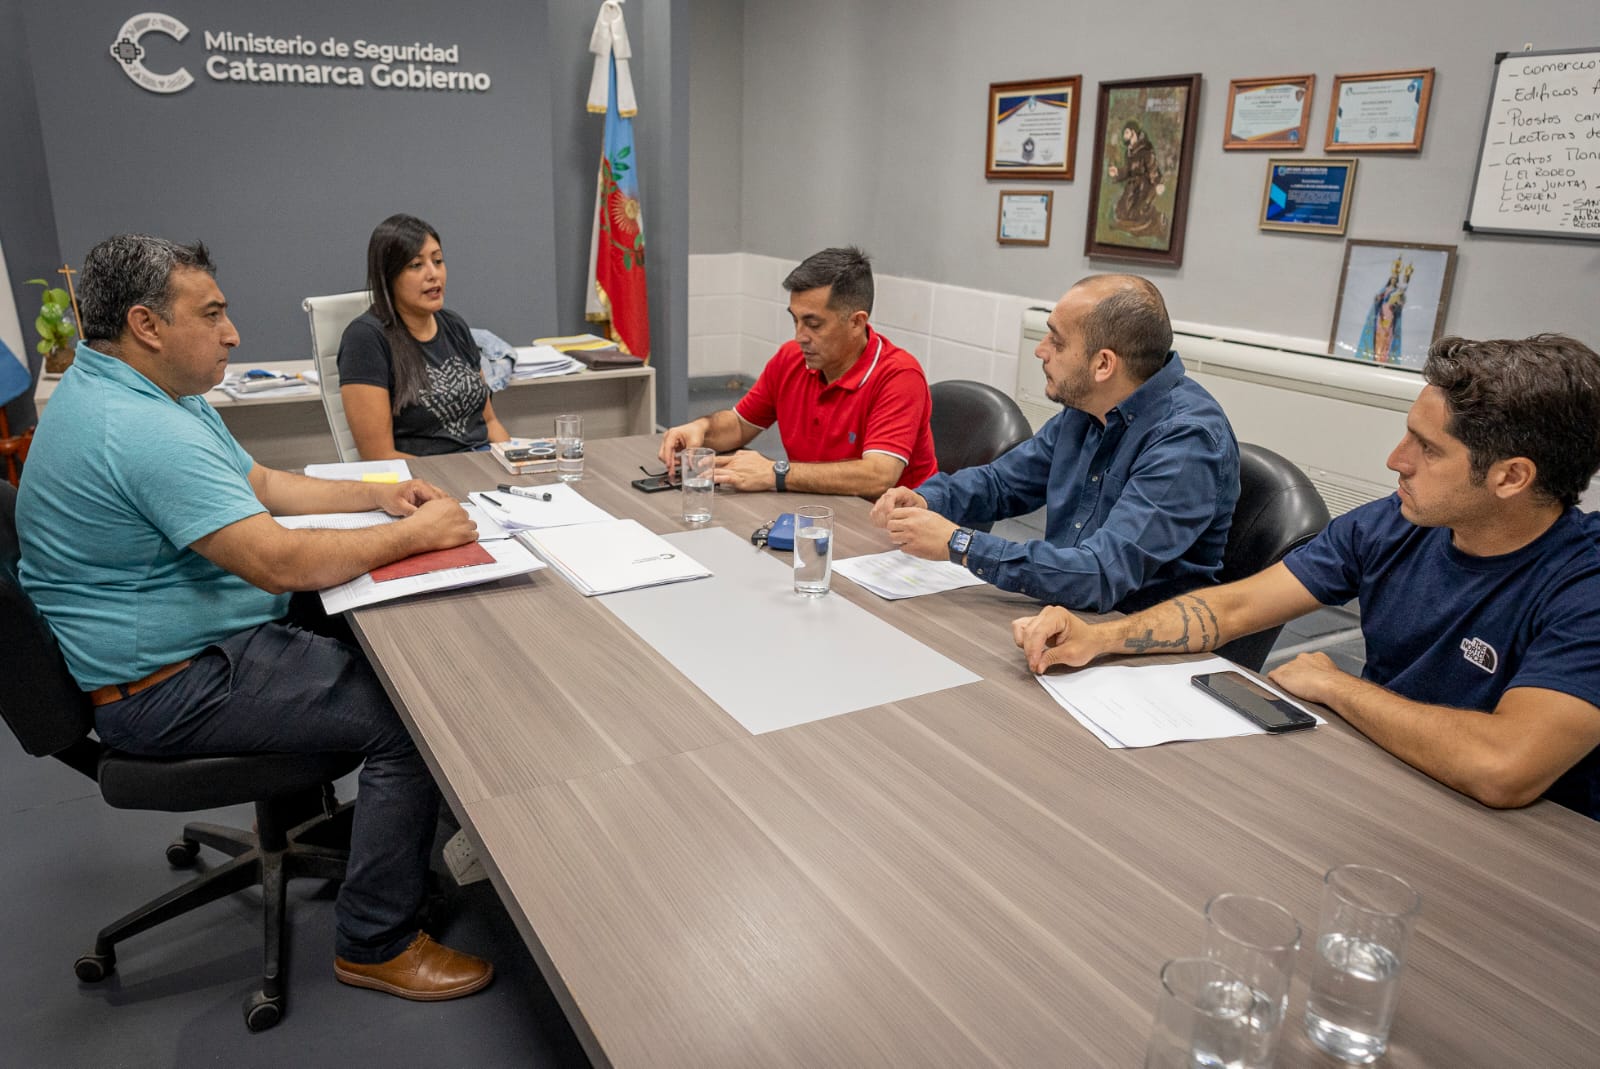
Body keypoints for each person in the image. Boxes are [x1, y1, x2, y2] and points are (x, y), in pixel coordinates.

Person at [16, 234, 495, 999]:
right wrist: (415, 533)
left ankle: (360, 826)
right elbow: (278, 561)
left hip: (183, 642)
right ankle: (376, 939)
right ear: (147, 325)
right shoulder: (139, 430)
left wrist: (377, 492)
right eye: (212, 314)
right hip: (166, 687)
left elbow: (262, 481)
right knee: (412, 716)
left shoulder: (142, 391)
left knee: (374, 631)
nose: (233, 333)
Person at [1013, 334, 1600, 819]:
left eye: (1427, 448)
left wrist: (1339, 686)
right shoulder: (1393, 525)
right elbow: (1235, 609)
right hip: (1390, 781)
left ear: (1511, 477)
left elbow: (1505, 769)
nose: (1396, 460)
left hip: (1535, 844)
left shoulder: (1583, 584)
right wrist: (1102, 638)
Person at [872, 274, 1238, 613]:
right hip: (1063, 613)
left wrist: (960, 543)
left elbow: (1099, 575)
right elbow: (1003, 484)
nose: (1041, 350)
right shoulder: (1089, 408)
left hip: (1130, 640)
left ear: (1103, 365)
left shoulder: (1186, 442)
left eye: (1057, 341)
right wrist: (927, 498)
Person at [657, 246, 936, 497]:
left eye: (813, 324)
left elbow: (878, 477)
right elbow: (740, 425)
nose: (800, 335)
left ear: (856, 322)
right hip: (817, 511)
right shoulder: (792, 358)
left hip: (893, 531)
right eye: (795, 320)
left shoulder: (898, 376)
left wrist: (776, 472)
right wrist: (700, 428)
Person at [338, 213, 509, 458]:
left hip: (483, 466)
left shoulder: (454, 325)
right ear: (388, 276)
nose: (433, 274)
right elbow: (378, 455)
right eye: (416, 265)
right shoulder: (365, 339)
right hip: (422, 480)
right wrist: (460, 476)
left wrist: (516, 464)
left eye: (438, 261)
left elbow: (490, 423)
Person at [1107, 121, 1166, 238]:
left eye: (1127, 132)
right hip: (1132, 187)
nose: (1124, 135)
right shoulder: (1129, 152)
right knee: (1121, 212)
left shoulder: (1146, 150)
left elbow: (1153, 168)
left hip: (1144, 187)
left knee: (1138, 214)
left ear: (1133, 133)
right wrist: (1117, 172)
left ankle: (1158, 219)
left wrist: (1158, 183)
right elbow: (1129, 171)